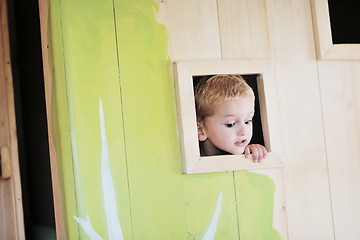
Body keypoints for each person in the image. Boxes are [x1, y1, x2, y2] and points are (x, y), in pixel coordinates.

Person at [194, 74, 267, 162]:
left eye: (247, 121)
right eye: (230, 124)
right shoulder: (191, 159)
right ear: (200, 131)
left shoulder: (248, 152)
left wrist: (252, 153)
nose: (244, 132)